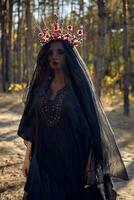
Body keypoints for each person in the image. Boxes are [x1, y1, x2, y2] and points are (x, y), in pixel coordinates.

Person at [17, 18, 128, 200]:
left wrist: (89, 166)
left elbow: (92, 129)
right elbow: (33, 125)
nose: (55, 57)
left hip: (70, 160)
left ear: (68, 56)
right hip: (41, 159)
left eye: (60, 52)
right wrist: (27, 158)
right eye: (51, 53)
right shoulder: (40, 87)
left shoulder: (78, 90)